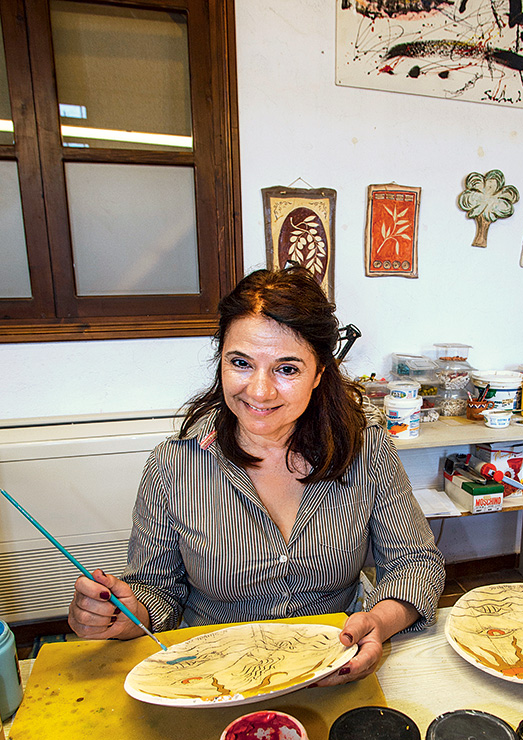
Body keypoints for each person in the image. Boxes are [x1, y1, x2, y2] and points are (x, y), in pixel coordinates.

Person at [68, 266, 445, 685]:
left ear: (320, 373)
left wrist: (379, 620)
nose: (260, 391)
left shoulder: (367, 449)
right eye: (241, 363)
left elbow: (416, 563)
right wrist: (129, 612)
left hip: (333, 665)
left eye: (287, 369)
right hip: (213, 677)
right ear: (221, 361)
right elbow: (158, 590)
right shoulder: (173, 466)